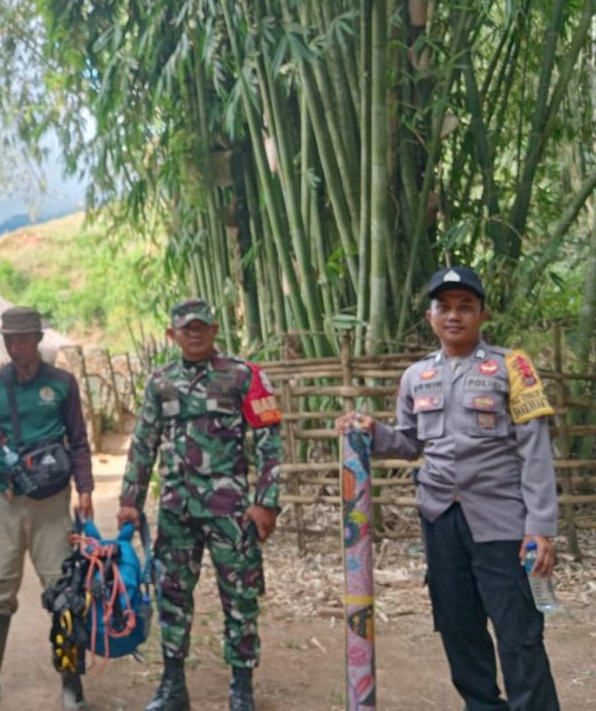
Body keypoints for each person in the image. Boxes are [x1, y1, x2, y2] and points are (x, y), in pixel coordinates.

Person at [335, 266, 561, 710]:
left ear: (482, 315)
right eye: (444, 307)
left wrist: (540, 527)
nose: (454, 316)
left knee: (519, 635)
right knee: (459, 631)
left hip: (503, 524)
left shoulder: (512, 367)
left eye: (465, 307)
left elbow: (535, 450)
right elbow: (409, 443)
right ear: (430, 316)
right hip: (441, 520)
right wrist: (372, 431)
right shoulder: (416, 376)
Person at [118, 299, 281, 711]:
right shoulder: (160, 383)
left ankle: (241, 687)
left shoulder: (243, 376)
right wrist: (130, 500)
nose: (195, 333)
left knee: (240, 599)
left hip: (230, 512)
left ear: (215, 329)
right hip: (177, 511)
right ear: (172, 334)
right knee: (172, 597)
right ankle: (173, 685)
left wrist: (267, 502)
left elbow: (269, 439)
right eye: (186, 328)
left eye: (202, 326)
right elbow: (144, 443)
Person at [0, 306, 94, 711]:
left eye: (21, 338)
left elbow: (79, 441)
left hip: (52, 501)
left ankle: (72, 683)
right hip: (5, 497)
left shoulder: (62, 384)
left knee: (64, 591)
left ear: (37, 338)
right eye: (8, 338)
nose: (14, 345)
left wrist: (85, 489)